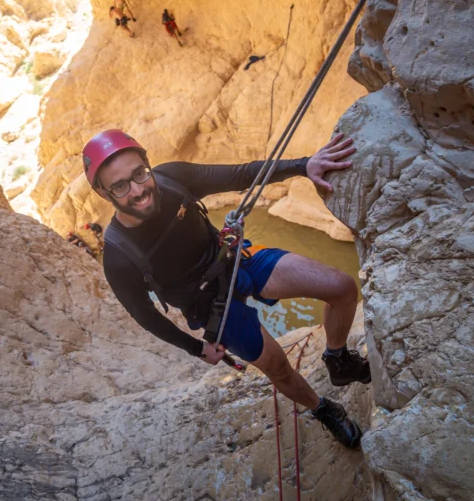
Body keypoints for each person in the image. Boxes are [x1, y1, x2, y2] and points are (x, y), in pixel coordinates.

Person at [82, 130, 370, 448]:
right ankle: (323, 409)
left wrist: (305, 165)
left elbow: (241, 173)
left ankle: (338, 358)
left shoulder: (172, 179)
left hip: (234, 258)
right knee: (277, 366)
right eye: (121, 186)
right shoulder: (118, 254)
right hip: (206, 304)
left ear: (148, 164)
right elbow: (143, 313)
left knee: (341, 287)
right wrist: (195, 348)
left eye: (140, 173)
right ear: (102, 192)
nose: (139, 191)